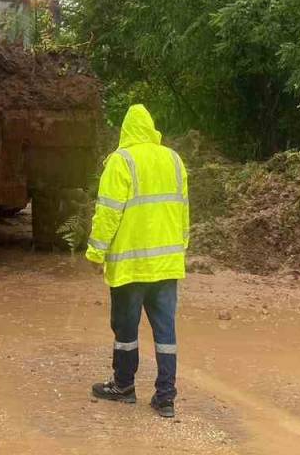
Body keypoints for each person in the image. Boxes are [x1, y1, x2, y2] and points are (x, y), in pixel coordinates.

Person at [85, 104, 189, 418]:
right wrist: (179, 248)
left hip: (131, 268)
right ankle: (166, 397)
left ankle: (124, 386)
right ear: (152, 127)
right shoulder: (174, 159)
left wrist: (95, 252)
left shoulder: (121, 161)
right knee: (166, 333)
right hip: (166, 266)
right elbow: (183, 211)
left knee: (126, 329)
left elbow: (108, 212)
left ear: (126, 130)